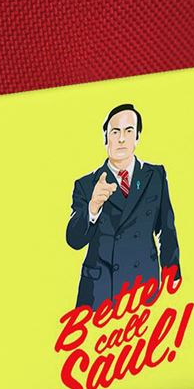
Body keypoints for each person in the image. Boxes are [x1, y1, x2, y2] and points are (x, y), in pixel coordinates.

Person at [65, 103, 181, 309]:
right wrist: (93, 206)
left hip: (143, 285)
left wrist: (172, 275)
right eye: (115, 131)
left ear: (137, 137)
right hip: (100, 290)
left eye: (128, 131)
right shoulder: (86, 184)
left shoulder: (155, 176)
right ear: (105, 138)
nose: (121, 139)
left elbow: (166, 229)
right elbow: (74, 240)